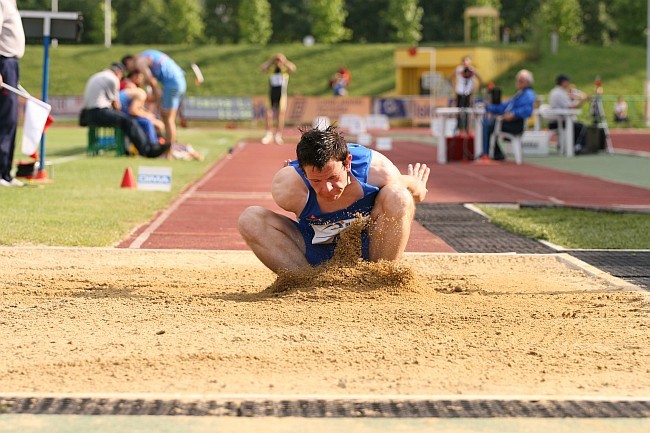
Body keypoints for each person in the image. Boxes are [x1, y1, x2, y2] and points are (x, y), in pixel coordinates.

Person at [238, 125, 430, 274]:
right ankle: (306, 284)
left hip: (369, 250)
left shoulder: (377, 170)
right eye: (315, 181)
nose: (327, 189)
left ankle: (381, 278)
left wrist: (418, 188)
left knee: (399, 197)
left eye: (332, 178)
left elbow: (406, 190)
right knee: (251, 218)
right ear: (303, 172)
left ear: (347, 163)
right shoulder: (288, 187)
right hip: (315, 252)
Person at [79, 62, 169, 158]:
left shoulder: (98, 76)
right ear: (119, 73)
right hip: (99, 112)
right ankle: (147, 150)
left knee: (125, 120)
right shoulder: (112, 79)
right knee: (130, 121)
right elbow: (116, 104)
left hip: (87, 114)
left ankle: (131, 149)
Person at [121, 50, 187, 149]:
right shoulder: (147, 54)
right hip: (178, 80)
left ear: (130, 61)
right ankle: (168, 148)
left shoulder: (139, 62)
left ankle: (168, 151)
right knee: (168, 119)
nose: (130, 71)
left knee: (168, 119)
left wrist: (159, 103)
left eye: (127, 68)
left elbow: (153, 82)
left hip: (173, 84)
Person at [481, 69, 536, 160]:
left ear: (528, 82)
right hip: (509, 122)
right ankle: (494, 153)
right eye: (517, 80)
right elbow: (503, 107)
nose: (518, 82)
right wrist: (487, 107)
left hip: (516, 124)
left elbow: (527, 110)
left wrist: (513, 114)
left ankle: (489, 153)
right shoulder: (519, 94)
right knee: (487, 124)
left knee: (488, 125)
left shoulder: (528, 95)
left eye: (521, 80)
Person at [0, 0, 25, 187]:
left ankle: (6, 173)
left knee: (11, 120)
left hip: (11, 63)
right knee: (6, 119)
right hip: (4, 62)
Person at [260, 53, 296, 145]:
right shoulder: (271, 69)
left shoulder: (284, 70)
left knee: (281, 115)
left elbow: (293, 68)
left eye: (279, 61)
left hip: (282, 95)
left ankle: (278, 135)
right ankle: (269, 134)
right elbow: (262, 68)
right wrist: (271, 60)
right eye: (276, 60)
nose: (278, 62)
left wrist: (285, 60)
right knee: (269, 114)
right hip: (271, 94)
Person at [548, 74, 588, 153]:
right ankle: (576, 147)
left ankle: (570, 146)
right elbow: (570, 107)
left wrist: (575, 99)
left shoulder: (558, 92)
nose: (569, 83)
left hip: (558, 120)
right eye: (567, 82)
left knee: (577, 126)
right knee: (581, 128)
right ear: (563, 82)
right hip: (559, 121)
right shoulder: (559, 93)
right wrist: (582, 100)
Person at [448, 56, 482, 131]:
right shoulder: (458, 69)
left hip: (468, 92)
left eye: (468, 61)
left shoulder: (472, 70)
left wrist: (476, 89)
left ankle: (467, 127)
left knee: (468, 110)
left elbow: (479, 79)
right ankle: (458, 126)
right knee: (458, 109)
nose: (466, 63)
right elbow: (450, 77)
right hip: (459, 91)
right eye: (465, 61)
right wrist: (453, 87)